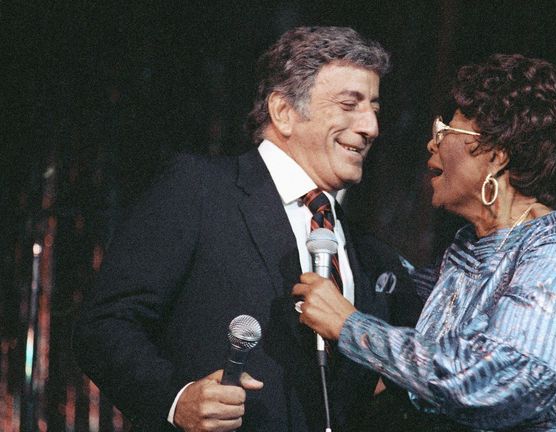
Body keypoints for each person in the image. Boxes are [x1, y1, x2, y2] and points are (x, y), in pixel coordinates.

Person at [73, 26, 421, 432]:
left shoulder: (370, 253)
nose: (371, 127)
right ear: (284, 112)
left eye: (375, 109)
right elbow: (103, 325)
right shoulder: (199, 189)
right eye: (350, 104)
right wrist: (176, 399)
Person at [294, 54, 556, 431]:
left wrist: (350, 327)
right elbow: (395, 298)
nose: (431, 144)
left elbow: (497, 381)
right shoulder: (464, 255)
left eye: (445, 131)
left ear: (496, 155)